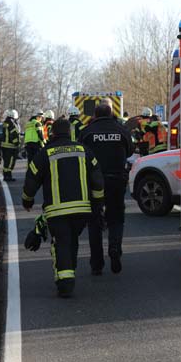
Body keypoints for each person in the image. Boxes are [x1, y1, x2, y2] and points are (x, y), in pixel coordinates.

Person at [22, 118, 106, 298]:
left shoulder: (45, 153)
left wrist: (27, 201)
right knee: (71, 239)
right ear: (70, 132)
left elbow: (31, 178)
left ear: (52, 133)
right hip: (82, 210)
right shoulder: (84, 151)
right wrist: (98, 204)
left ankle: (65, 283)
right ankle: (69, 270)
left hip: (57, 211)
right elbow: (98, 179)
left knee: (61, 242)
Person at [79, 102, 134, 274]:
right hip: (117, 180)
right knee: (116, 217)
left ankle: (97, 264)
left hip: (94, 182)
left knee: (94, 221)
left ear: (94, 115)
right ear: (110, 113)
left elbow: (80, 154)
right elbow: (131, 151)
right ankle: (115, 248)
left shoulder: (87, 132)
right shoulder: (120, 130)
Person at [0, 109, 21, 180]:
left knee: (6, 162)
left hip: (4, 146)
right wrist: (17, 143)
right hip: (11, 146)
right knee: (11, 162)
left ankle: (6, 176)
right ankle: (8, 176)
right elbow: (13, 134)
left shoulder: (5, 123)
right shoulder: (12, 123)